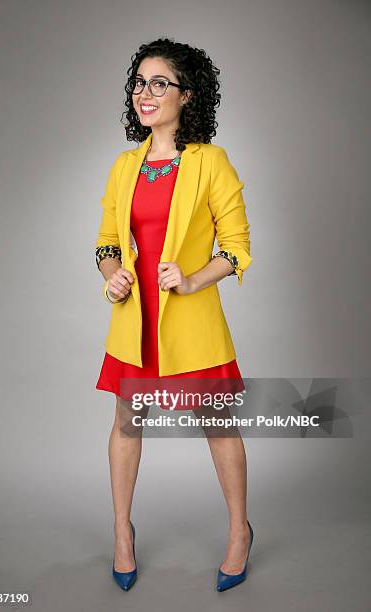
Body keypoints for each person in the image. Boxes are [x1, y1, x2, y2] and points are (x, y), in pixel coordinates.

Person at [94, 38, 254, 592]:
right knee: (126, 423)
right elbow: (104, 243)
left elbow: (236, 247)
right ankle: (122, 531)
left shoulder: (211, 162)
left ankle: (239, 532)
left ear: (187, 95)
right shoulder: (123, 166)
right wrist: (111, 271)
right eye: (139, 82)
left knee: (218, 424)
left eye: (159, 83)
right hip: (134, 322)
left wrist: (190, 280)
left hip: (191, 320)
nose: (145, 93)